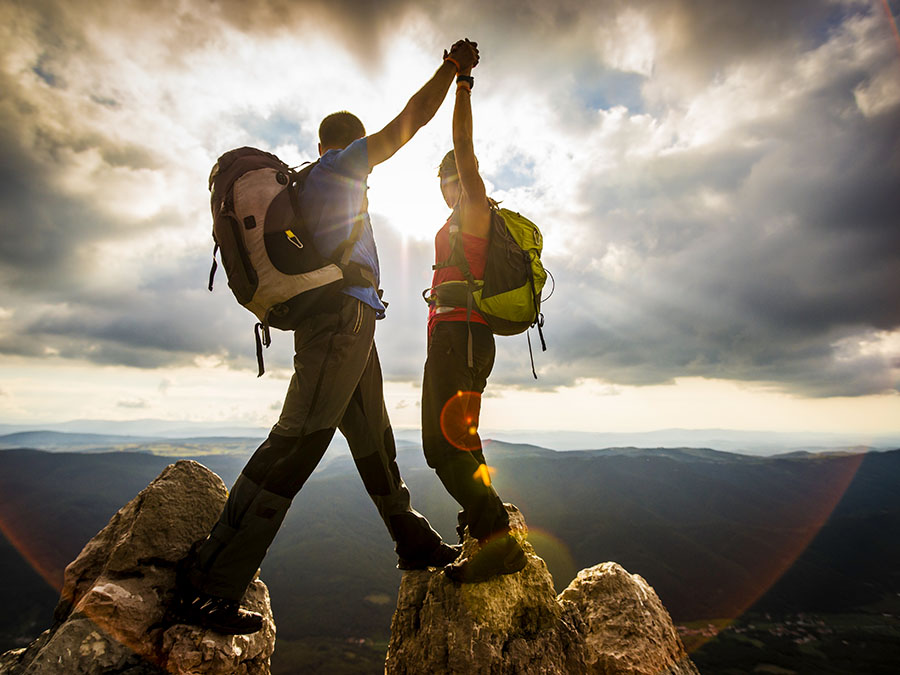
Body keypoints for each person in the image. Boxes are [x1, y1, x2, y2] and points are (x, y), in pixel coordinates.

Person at [176, 39, 481, 635]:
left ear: (317, 144)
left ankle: (411, 539)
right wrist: (453, 71)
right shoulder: (341, 168)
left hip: (351, 324)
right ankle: (210, 584)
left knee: (375, 442)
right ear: (343, 146)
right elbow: (409, 123)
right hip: (340, 324)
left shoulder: (313, 180)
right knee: (298, 442)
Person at [421, 56, 527, 583]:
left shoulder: (475, 209)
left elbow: (464, 147)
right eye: (444, 181)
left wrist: (462, 84)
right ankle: (487, 523)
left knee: (440, 447)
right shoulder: (457, 222)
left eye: (454, 178)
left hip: (460, 337)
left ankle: (497, 545)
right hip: (460, 337)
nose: (450, 186)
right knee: (464, 440)